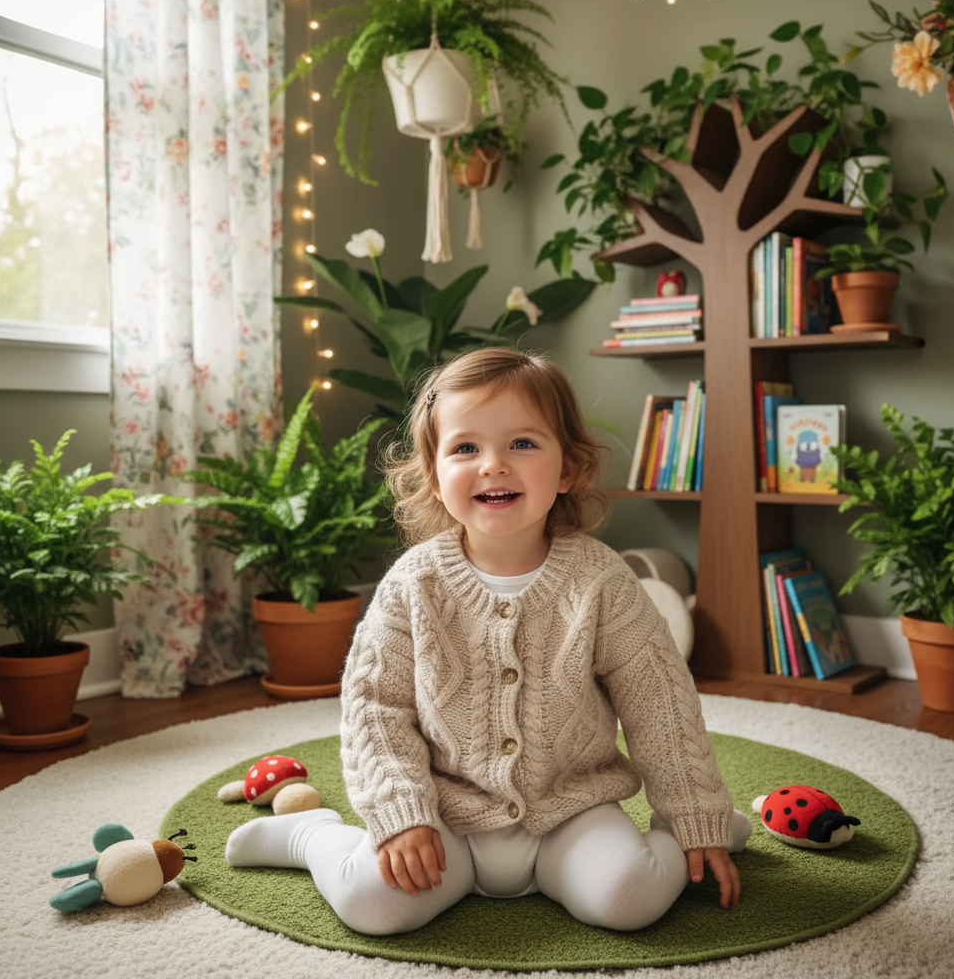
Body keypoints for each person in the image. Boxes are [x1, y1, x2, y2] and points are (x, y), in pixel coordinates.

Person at [226, 347, 750, 935]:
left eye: (522, 444)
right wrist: (402, 814)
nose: (493, 464)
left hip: (570, 813)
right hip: (444, 815)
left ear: (568, 468)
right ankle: (312, 836)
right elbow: (375, 706)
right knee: (371, 904)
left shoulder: (601, 580)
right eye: (465, 448)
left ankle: (690, 832)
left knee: (628, 900)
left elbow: (660, 702)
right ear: (433, 473)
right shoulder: (413, 584)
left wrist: (693, 816)